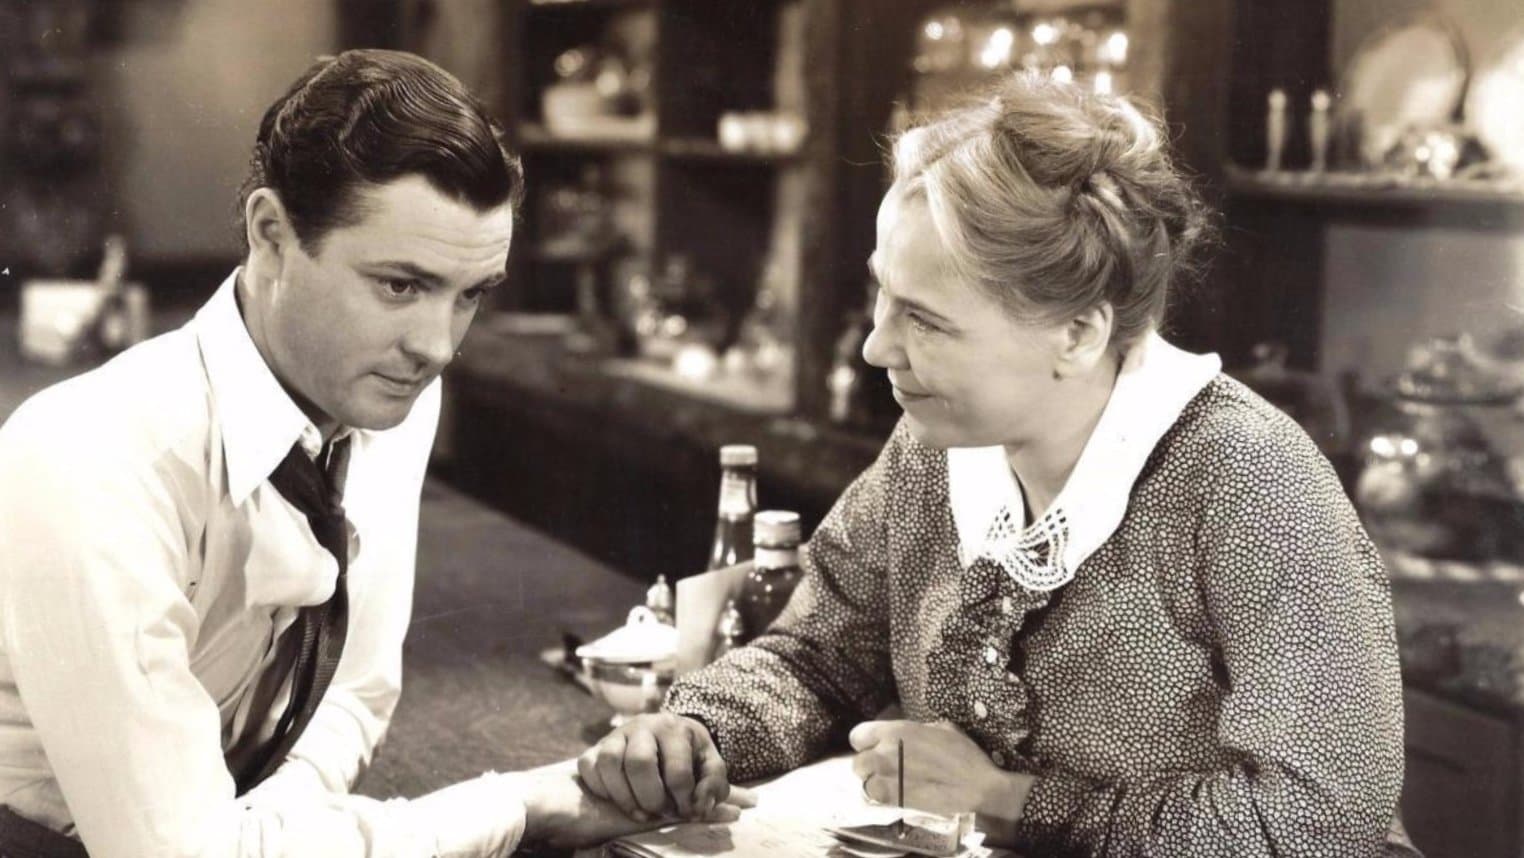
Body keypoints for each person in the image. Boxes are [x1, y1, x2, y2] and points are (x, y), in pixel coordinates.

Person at [580, 73, 1420, 856]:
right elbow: (818, 652)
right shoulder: (934, 450)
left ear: (1078, 333)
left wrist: (1008, 800)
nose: (878, 346)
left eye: (927, 321)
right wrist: (695, 733)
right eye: (881, 296)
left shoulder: (1249, 483)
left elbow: (1323, 819)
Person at [0, 49, 739, 857]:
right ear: (272, 233)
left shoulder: (380, 387)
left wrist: (279, 830)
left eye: (471, 296)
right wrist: (518, 808)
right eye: (399, 284)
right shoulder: (91, 459)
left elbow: (354, 689)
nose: (436, 347)